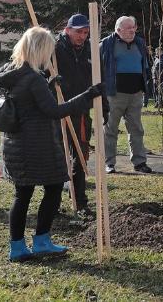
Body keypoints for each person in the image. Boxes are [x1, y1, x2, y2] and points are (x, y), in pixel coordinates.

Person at [0, 26, 104, 262]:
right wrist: (88, 95)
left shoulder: (11, 71)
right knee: (53, 189)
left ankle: (18, 247)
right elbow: (53, 111)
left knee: (23, 195)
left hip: (15, 142)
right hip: (36, 144)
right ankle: (41, 241)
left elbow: (28, 101)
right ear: (41, 50)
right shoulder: (33, 78)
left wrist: (49, 86)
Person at [99, 16, 152, 174]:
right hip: (114, 94)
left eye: (133, 27)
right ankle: (109, 163)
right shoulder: (106, 44)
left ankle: (139, 162)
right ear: (118, 29)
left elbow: (145, 66)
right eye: (128, 28)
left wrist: (146, 87)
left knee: (136, 129)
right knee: (110, 129)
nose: (132, 30)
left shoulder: (140, 43)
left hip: (136, 94)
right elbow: (97, 67)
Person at [54, 14, 93, 216]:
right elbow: (43, 74)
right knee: (58, 156)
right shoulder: (55, 49)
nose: (82, 36)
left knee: (81, 155)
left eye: (86, 32)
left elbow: (97, 77)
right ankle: (54, 201)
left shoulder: (90, 49)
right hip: (58, 109)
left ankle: (80, 201)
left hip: (81, 110)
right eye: (79, 31)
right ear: (67, 29)